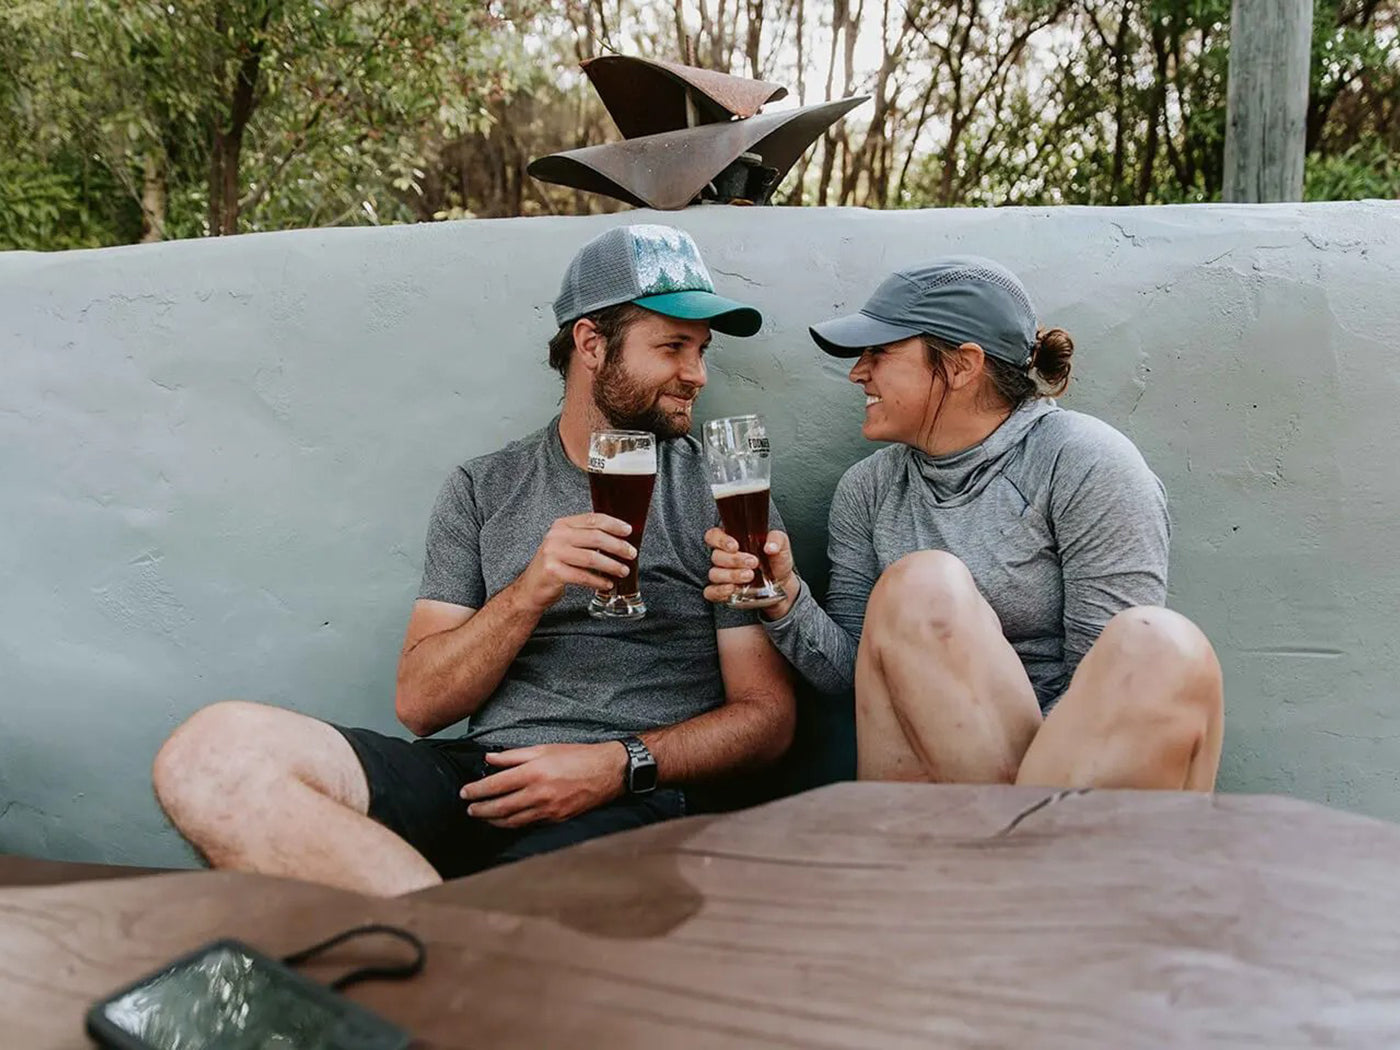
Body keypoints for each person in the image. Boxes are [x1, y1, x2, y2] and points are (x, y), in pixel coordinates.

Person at [152, 224, 796, 895]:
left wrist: (618, 763)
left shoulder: (722, 491)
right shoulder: (484, 487)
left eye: (701, 351)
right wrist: (530, 590)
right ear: (591, 344)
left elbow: (767, 720)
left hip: (629, 793)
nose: (697, 374)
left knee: (514, 898)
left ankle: (437, 939)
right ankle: (440, 933)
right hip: (479, 773)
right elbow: (421, 704)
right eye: (673, 347)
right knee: (210, 758)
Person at [704, 257, 1222, 790]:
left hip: (1075, 782)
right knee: (921, 585)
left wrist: (1043, 785)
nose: (859, 372)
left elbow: (1111, 686)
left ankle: (1023, 839)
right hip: (928, 784)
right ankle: (1021, 845)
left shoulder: (1087, 464)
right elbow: (854, 677)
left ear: (963, 365)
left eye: (879, 352)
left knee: (1161, 644)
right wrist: (784, 597)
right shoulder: (870, 488)